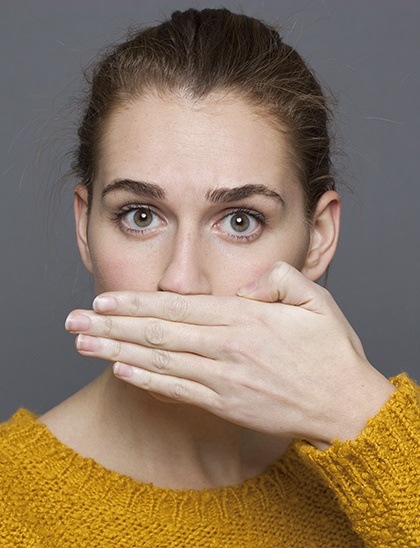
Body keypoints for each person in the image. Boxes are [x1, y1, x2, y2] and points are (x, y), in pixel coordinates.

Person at [0, 7, 418, 547]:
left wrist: (361, 418)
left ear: (317, 238)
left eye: (240, 221)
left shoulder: (378, 462)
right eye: (141, 216)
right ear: (85, 226)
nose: (180, 281)